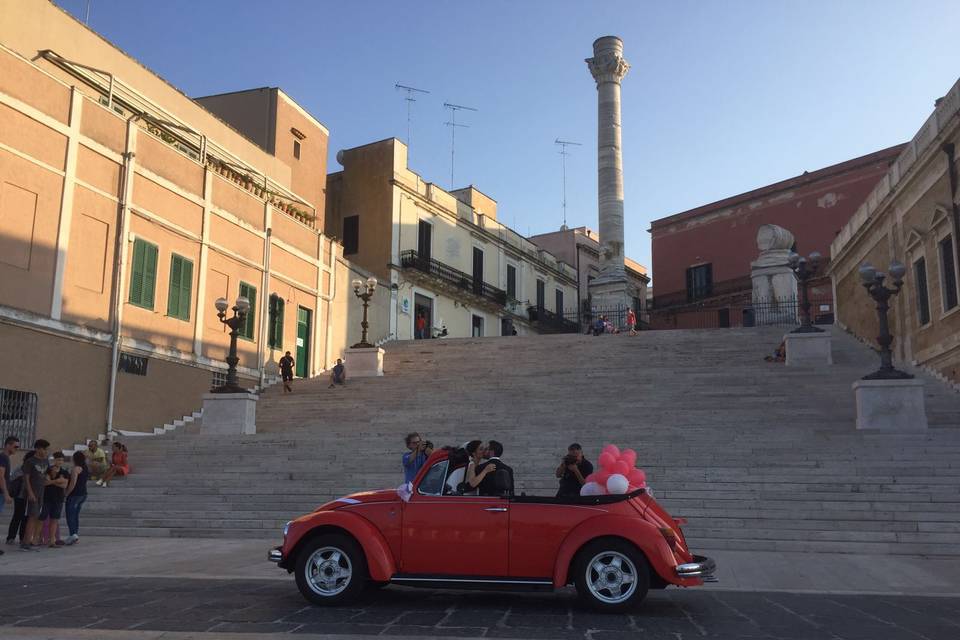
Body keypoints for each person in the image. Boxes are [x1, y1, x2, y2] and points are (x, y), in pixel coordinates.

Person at [20, 439, 50, 551]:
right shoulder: (30, 461)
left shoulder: (46, 461)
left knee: (36, 516)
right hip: (33, 492)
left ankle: (28, 540)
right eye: (44, 449)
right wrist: (30, 492)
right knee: (32, 517)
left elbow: (45, 475)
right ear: (37, 449)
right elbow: (26, 479)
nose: (45, 451)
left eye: (46, 449)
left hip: (42, 492)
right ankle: (26, 542)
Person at [40, 452, 69, 548]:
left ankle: (52, 540)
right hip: (47, 498)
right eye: (58, 459)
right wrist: (57, 481)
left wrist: (51, 482)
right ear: (54, 460)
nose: (60, 462)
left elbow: (64, 485)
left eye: (61, 460)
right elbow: (44, 482)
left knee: (54, 519)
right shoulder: (48, 470)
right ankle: (38, 538)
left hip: (58, 498)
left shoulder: (64, 472)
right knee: (41, 518)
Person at [6, 450, 32, 546]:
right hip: (20, 495)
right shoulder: (21, 468)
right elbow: (12, 479)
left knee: (25, 517)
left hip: (28, 496)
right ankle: (11, 537)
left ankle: (21, 538)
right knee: (18, 516)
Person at [64, 451, 89, 545]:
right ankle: (75, 535)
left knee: (70, 515)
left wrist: (66, 493)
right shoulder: (85, 468)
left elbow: (72, 483)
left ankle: (72, 534)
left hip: (74, 495)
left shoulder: (76, 469)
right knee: (76, 515)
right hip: (83, 494)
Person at [0, 436, 19, 555]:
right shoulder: (3, 457)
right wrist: (6, 493)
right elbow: (0, 476)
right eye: (15, 446)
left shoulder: (5, 458)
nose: (17, 449)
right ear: (8, 445)